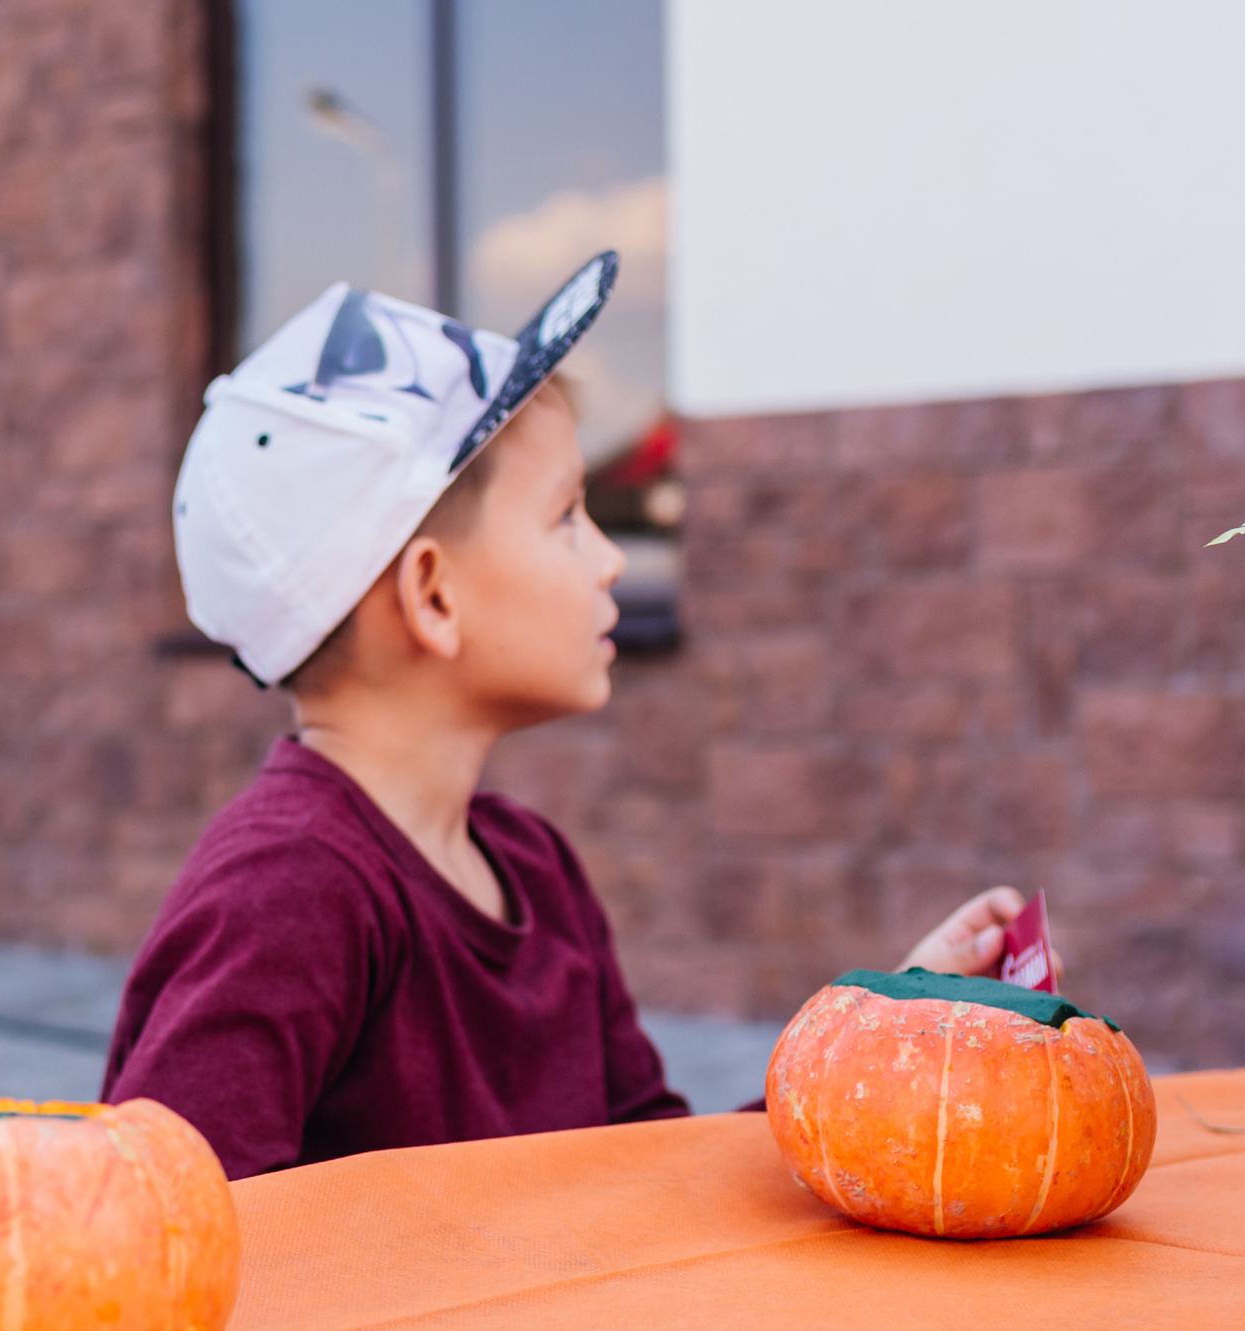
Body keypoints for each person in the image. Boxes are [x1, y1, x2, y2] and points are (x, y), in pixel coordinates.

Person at [103, 256, 1024, 1178]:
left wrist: (889, 1027)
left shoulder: (536, 870)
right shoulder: (288, 892)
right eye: (567, 516)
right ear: (433, 594)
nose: (613, 559)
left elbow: (655, 1183)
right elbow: (169, 1233)